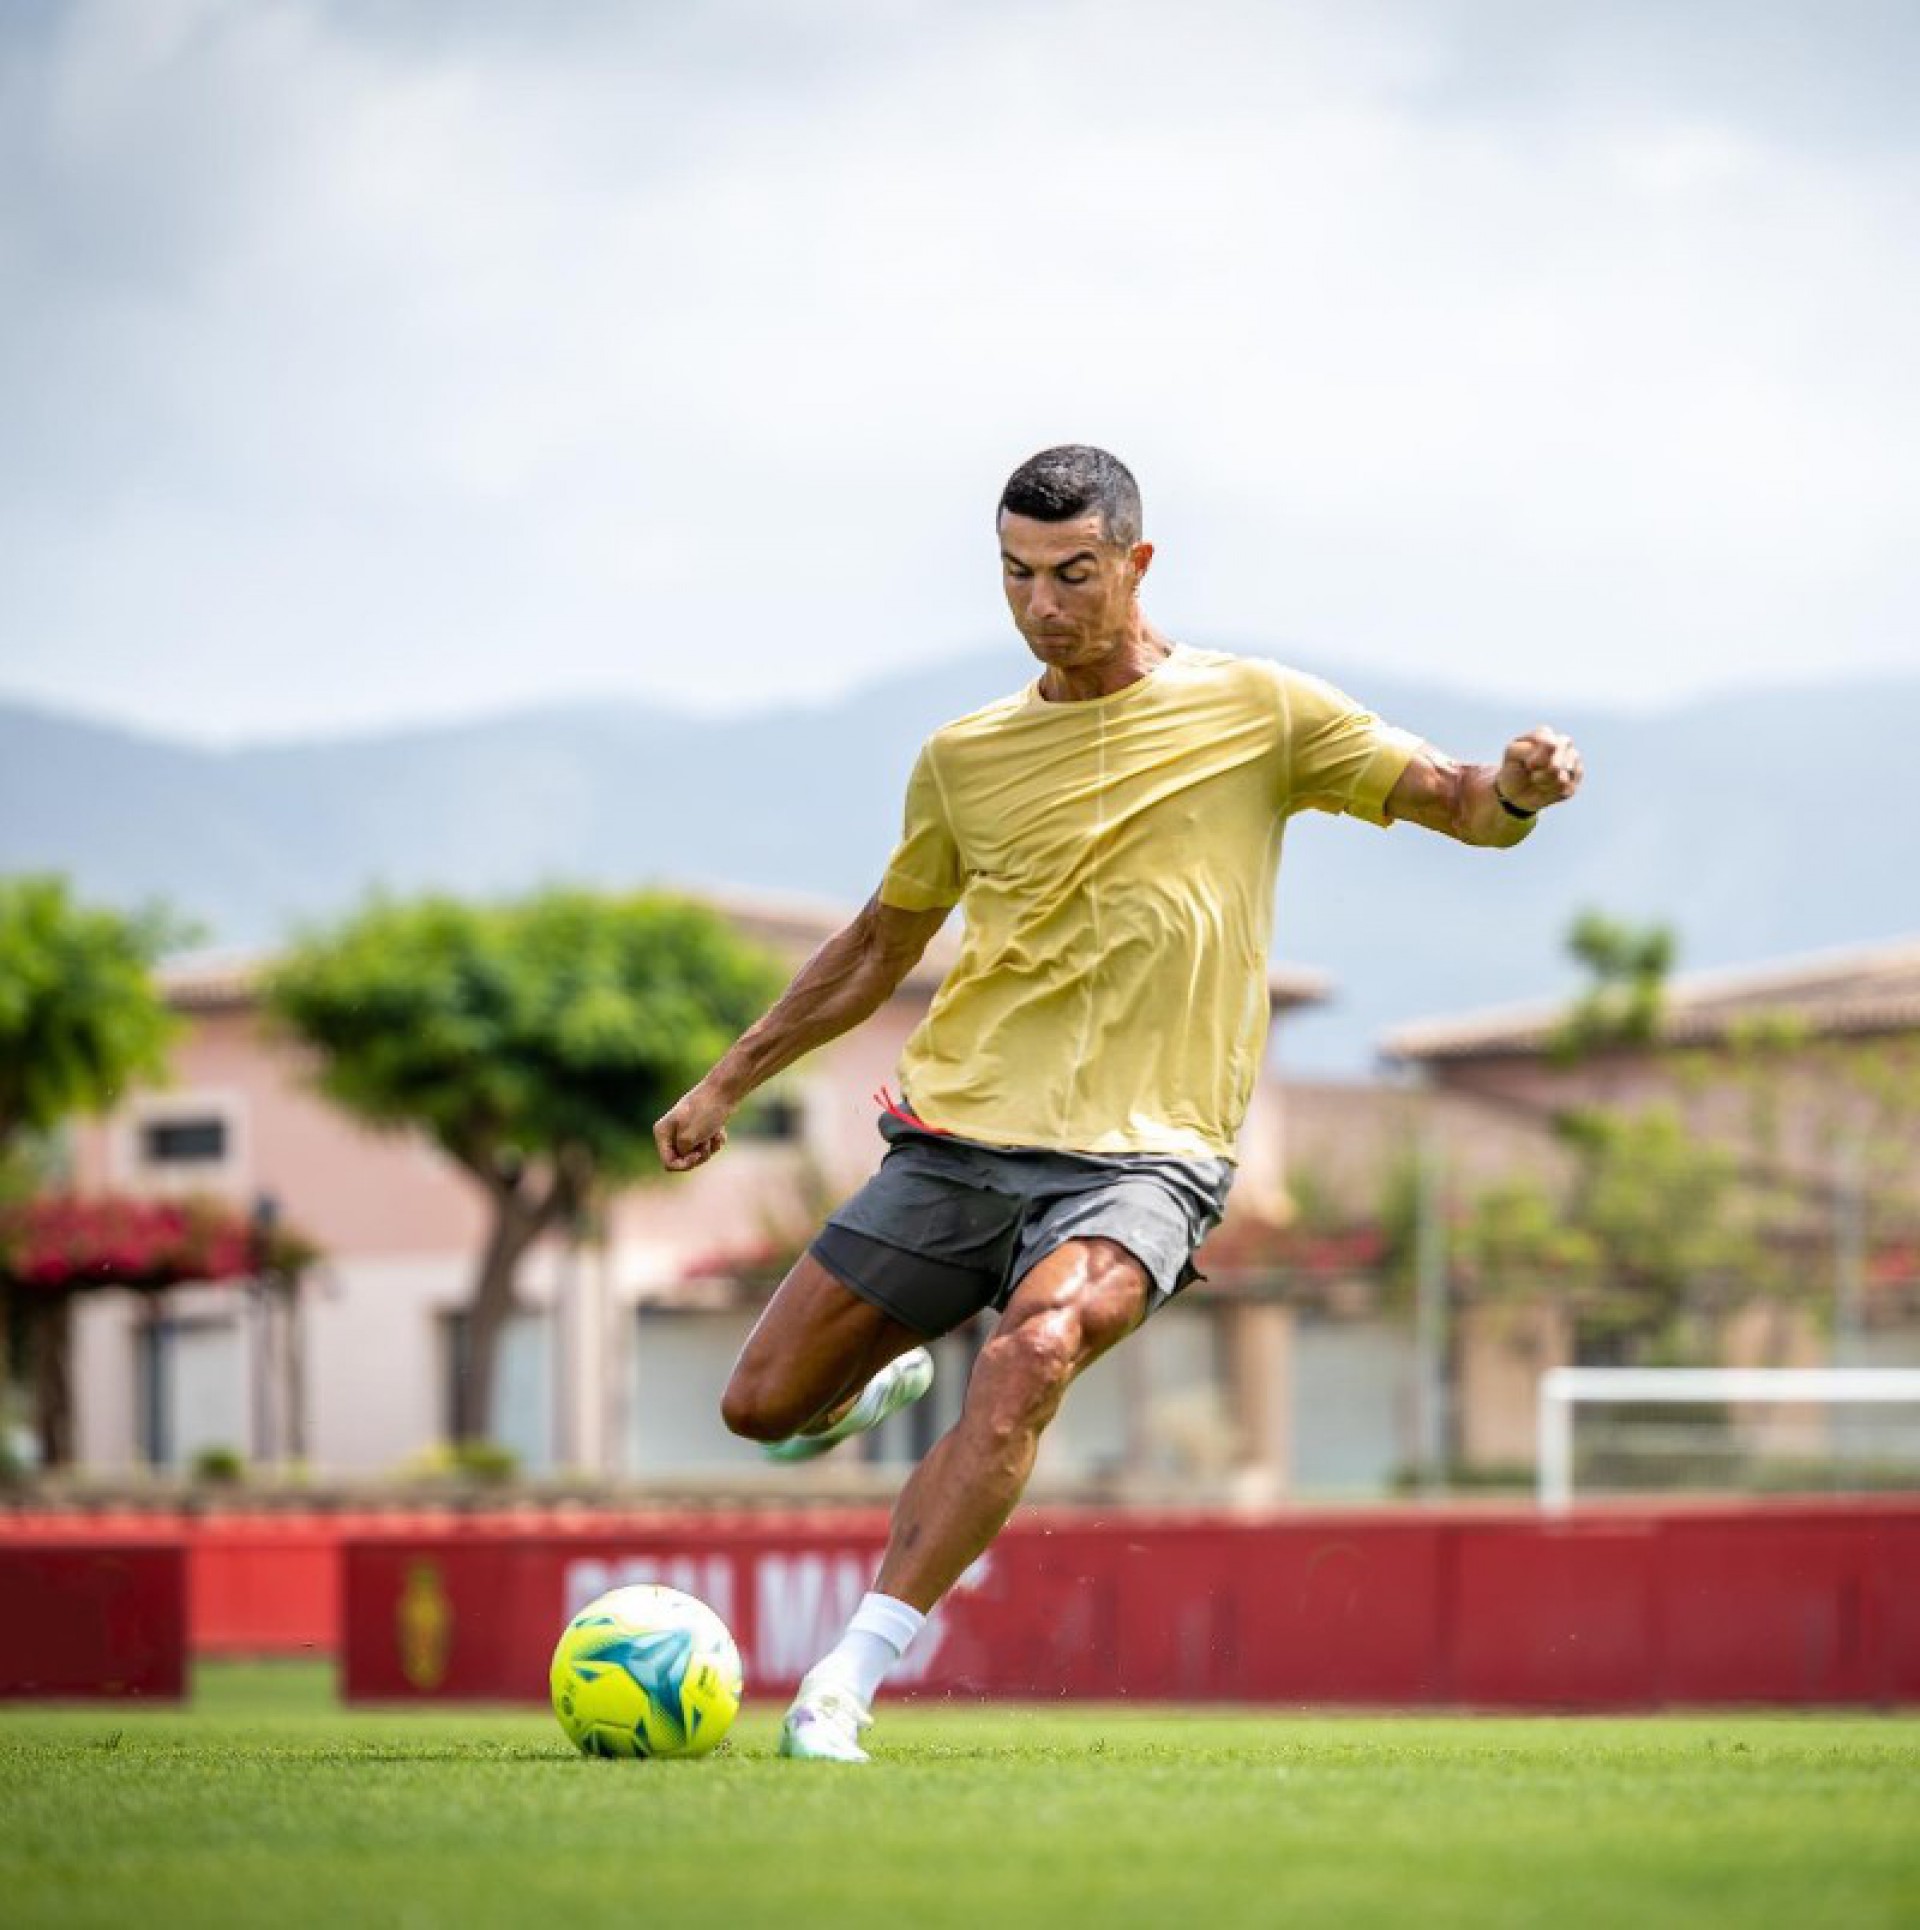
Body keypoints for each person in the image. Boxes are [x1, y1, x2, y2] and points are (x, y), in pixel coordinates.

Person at [654, 444, 1584, 1761]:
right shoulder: (964, 756)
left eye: (1073, 574)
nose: (1041, 604)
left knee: (1031, 1354)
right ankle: (876, 1384)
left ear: (1138, 563)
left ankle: (843, 1682)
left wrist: (1520, 792)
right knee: (759, 1407)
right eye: (1015, 576)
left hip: (1145, 1160)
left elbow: (1461, 803)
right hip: (959, 1138)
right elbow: (874, 948)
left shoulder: (1260, 709)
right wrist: (727, 1079)